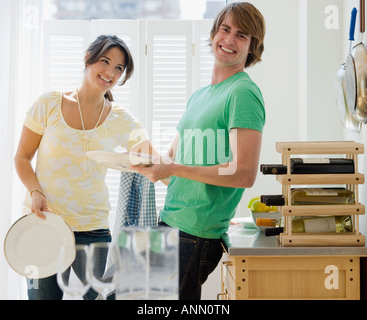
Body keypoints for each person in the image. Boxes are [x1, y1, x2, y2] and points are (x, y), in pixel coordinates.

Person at [133, 2, 266, 300]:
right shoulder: (199, 96)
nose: (229, 39)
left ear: (252, 47)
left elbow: (244, 173)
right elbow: (173, 164)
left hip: (195, 234)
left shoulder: (243, 92)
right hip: (169, 220)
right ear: (214, 33)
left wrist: (172, 168)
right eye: (225, 29)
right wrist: (149, 163)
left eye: (241, 35)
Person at [14, 35, 151, 300]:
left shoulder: (121, 118)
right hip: (44, 225)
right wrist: (35, 192)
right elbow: (22, 157)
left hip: (94, 231)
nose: (111, 72)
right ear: (88, 57)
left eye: (119, 68)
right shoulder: (49, 103)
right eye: (105, 61)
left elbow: (151, 159)